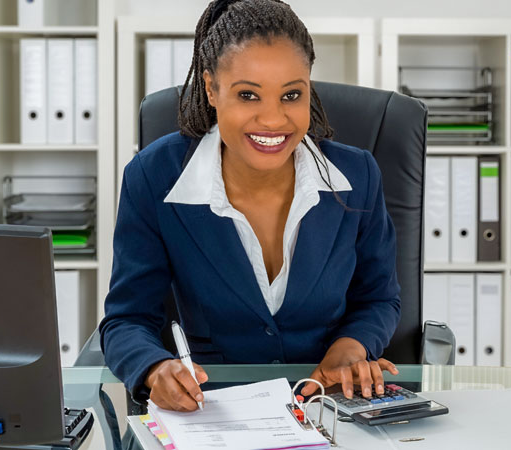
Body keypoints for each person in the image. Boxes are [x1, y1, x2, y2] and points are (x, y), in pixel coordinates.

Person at [100, 0, 401, 413]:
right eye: (248, 95)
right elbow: (126, 319)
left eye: (291, 95)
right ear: (211, 89)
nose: (273, 120)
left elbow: (379, 298)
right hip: (212, 413)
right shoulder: (154, 177)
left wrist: (349, 350)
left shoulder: (357, 176)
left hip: (329, 407)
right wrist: (153, 368)